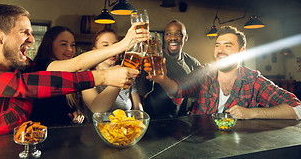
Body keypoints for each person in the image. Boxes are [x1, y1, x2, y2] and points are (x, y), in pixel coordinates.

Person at [0, 4, 147, 142]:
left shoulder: (22, 66)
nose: (31, 40)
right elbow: (21, 86)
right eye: (25, 32)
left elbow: (75, 65)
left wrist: (123, 45)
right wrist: (102, 77)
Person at [149, 26, 301, 119]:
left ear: (241, 52)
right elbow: (177, 89)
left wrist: (253, 113)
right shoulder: (204, 73)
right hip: (198, 144)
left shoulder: (253, 80)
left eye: (227, 46)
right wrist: (162, 79)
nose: (220, 51)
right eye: (217, 45)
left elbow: (297, 108)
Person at [136, 20, 200, 119]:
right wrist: (145, 69)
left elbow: (198, 93)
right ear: (164, 37)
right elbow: (142, 90)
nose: (173, 38)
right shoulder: (154, 59)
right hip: (154, 121)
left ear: (185, 37)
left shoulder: (193, 63)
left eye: (178, 34)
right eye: (168, 34)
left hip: (180, 121)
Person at [30, 26, 85, 126]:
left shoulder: (68, 71)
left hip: (60, 135)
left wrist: (75, 114)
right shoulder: (41, 64)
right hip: (40, 134)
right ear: (49, 45)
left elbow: (65, 108)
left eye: (72, 45)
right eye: (63, 44)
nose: (70, 49)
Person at [82, 29, 143, 115]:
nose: (113, 50)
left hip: (126, 127)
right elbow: (97, 109)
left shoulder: (126, 72)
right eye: (106, 45)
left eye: (116, 45)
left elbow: (138, 108)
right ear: (94, 50)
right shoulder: (86, 75)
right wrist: (118, 80)